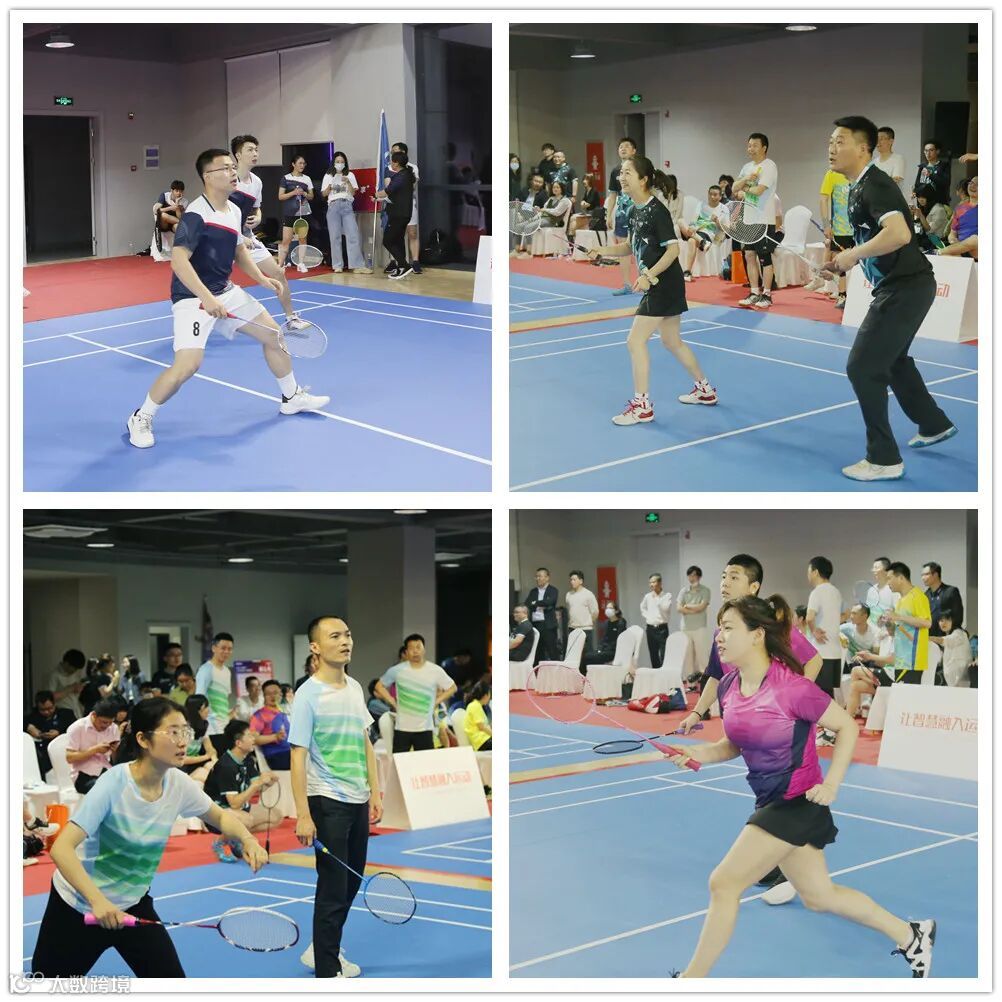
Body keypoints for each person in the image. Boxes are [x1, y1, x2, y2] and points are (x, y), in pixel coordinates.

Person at [667, 596, 935, 978]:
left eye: (728, 628)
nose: (719, 637)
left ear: (757, 635)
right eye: (718, 629)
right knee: (819, 897)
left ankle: (691, 982)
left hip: (798, 802)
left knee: (723, 883)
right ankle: (911, 936)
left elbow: (847, 726)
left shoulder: (792, 688)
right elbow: (733, 744)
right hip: (770, 801)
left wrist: (832, 784)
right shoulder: (728, 686)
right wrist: (697, 754)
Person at [32, 697, 266, 977]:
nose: (183, 742)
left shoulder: (179, 784)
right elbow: (61, 848)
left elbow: (221, 817)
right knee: (47, 985)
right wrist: (97, 901)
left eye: (186, 732)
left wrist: (248, 839)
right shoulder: (113, 784)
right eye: (173, 732)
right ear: (143, 739)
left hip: (133, 906)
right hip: (79, 908)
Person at [126, 148, 328, 449]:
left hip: (225, 291)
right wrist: (207, 298)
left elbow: (238, 251)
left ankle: (291, 396)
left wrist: (262, 279)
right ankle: (141, 416)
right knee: (188, 365)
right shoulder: (196, 214)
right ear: (208, 176)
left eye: (234, 167)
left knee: (274, 335)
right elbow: (179, 262)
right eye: (226, 168)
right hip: (192, 298)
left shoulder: (233, 209)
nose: (233, 172)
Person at [822, 117, 956, 482]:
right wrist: (845, 262)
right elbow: (876, 241)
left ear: (863, 148)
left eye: (840, 141)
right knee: (893, 360)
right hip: (904, 286)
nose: (831, 148)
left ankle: (883, 458)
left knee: (863, 367)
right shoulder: (856, 188)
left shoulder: (875, 184)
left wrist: (853, 254)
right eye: (830, 141)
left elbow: (898, 234)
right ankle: (933, 423)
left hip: (905, 288)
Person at [587, 155, 717, 425]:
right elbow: (629, 246)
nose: (621, 177)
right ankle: (705, 390)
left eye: (627, 173)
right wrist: (601, 250)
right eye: (621, 173)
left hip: (663, 283)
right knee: (672, 341)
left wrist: (648, 275)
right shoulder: (634, 210)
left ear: (644, 179)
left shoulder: (657, 211)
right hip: (662, 282)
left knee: (635, 341)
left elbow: (673, 250)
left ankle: (642, 406)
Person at [290, 615, 381, 979]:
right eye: (335, 636)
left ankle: (321, 947)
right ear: (315, 647)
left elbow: (365, 741)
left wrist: (375, 792)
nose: (345, 641)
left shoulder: (354, 687)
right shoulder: (307, 695)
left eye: (347, 634)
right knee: (333, 886)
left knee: (352, 881)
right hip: (327, 801)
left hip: (358, 798)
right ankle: (327, 972)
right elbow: (298, 755)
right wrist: (302, 814)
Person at [229, 134, 314, 327]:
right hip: (224, 239)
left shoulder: (256, 182)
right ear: (238, 155)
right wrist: (238, 236)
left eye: (256, 150)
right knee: (212, 284)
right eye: (250, 150)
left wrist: (258, 217)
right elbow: (219, 212)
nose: (255, 153)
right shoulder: (229, 181)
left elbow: (256, 208)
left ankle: (291, 319)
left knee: (278, 273)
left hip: (247, 238)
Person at [203, 719, 279, 862]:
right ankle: (219, 843)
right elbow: (235, 803)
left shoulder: (247, 760)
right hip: (216, 814)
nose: (254, 739)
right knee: (247, 820)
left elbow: (257, 787)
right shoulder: (226, 766)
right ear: (238, 743)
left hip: (236, 811)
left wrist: (269, 782)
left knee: (275, 817)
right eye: (249, 736)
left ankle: (234, 838)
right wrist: (256, 785)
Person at [374, 634, 456, 752]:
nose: (415, 651)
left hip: (425, 728)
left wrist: (436, 701)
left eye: (418, 647)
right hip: (402, 728)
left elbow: (452, 688)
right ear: (406, 652)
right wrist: (392, 702)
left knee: (424, 762)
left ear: (424, 649)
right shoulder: (397, 670)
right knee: (399, 761)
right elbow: (379, 686)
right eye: (411, 648)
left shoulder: (435, 670)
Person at [733, 133, 780, 310]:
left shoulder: (769, 166)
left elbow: (759, 191)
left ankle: (766, 294)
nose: (750, 149)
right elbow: (734, 188)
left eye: (754, 145)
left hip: (764, 219)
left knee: (764, 257)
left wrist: (744, 189)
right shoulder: (746, 167)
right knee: (749, 255)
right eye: (749, 145)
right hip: (748, 219)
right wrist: (745, 180)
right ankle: (754, 292)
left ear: (764, 148)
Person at [321, 151, 371, 274]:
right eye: (337, 161)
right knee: (335, 236)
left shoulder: (350, 174)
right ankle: (337, 265)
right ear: (333, 163)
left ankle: (357, 265)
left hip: (347, 205)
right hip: (333, 206)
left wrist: (347, 181)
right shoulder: (328, 175)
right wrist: (331, 185)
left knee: (353, 234)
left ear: (345, 163)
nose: (340, 164)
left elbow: (353, 193)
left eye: (342, 161)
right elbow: (324, 194)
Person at [884, 561, 933, 682]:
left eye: (889, 578)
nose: (888, 582)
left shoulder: (918, 596)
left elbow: (927, 623)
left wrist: (899, 617)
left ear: (900, 578)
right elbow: (895, 631)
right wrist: (888, 622)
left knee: (906, 693)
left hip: (912, 660)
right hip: (901, 659)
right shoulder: (901, 601)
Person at [805, 556, 844, 701]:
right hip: (835, 652)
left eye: (809, 571)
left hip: (821, 652)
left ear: (815, 572)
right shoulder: (836, 592)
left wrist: (814, 631)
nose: (808, 574)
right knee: (829, 695)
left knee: (818, 695)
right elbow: (845, 614)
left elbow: (809, 617)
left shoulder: (817, 592)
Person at [605, 137, 640, 295]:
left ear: (634, 151)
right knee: (623, 250)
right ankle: (627, 284)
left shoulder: (640, 168)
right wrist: (609, 215)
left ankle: (644, 283)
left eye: (627, 146)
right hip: (621, 214)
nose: (623, 149)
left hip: (638, 212)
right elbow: (613, 195)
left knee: (640, 249)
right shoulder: (615, 171)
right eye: (620, 147)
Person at [64, 699, 121, 795]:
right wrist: (95, 750)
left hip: (106, 770)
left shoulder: (113, 728)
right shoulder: (78, 727)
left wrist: (115, 751)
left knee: (128, 786)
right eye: (104, 722)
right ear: (94, 715)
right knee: (105, 789)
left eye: (110, 722)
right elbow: (69, 757)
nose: (107, 726)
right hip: (83, 775)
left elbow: (115, 760)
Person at [816, 167, 854, 308]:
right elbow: (823, 199)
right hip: (841, 228)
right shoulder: (832, 174)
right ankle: (842, 295)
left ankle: (861, 296)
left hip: (861, 228)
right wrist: (826, 224)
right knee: (841, 263)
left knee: (863, 263)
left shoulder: (860, 170)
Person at [375, 152, 417, 279]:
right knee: (398, 240)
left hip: (398, 214)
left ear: (396, 163)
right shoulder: (407, 175)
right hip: (403, 213)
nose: (391, 164)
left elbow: (387, 191)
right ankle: (402, 267)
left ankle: (404, 265)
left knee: (388, 240)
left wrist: (376, 194)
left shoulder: (401, 176)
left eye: (392, 161)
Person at [195, 631, 235, 753]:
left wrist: (230, 713)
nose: (226, 652)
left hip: (224, 725)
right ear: (214, 648)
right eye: (223, 648)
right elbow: (199, 699)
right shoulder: (205, 670)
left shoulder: (227, 671)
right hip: (210, 727)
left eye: (229, 649)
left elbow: (224, 698)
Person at [681, 185, 729, 281]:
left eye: (715, 195)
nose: (712, 197)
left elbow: (727, 229)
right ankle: (702, 242)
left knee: (691, 241)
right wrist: (692, 227)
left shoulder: (724, 209)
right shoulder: (701, 205)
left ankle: (687, 272)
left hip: (709, 233)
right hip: (696, 231)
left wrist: (717, 222)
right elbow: (693, 220)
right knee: (680, 221)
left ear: (720, 196)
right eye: (710, 194)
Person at [277, 154, 315, 271]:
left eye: (304, 163)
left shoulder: (307, 179)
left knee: (302, 239)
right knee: (286, 240)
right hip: (289, 213)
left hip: (303, 213)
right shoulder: (285, 178)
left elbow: (311, 196)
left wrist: (304, 194)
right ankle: (280, 265)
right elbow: (280, 196)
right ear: (293, 164)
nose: (302, 165)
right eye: (300, 163)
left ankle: (301, 263)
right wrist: (293, 192)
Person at [25, 691, 75, 777]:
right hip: (42, 755)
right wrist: (29, 728)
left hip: (63, 753)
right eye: (42, 710)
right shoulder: (32, 717)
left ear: (54, 704)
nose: (47, 712)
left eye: (50, 708)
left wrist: (59, 732)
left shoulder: (66, 714)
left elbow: (75, 730)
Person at [390, 141, 422, 274]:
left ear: (403, 153)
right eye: (392, 152)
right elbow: (388, 186)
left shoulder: (412, 168)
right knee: (396, 235)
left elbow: (411, 186)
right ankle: (399, 263)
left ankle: (415, 262)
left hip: (408, 204)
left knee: (412, 232)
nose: (393, 154)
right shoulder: (389, 167)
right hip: (394, 205)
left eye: (396, 151)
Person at [678, 566, 713, 674]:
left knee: (702, 656)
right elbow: (679, 608)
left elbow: (701, 607)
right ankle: (690, 681)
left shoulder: (705, 590)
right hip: (685, 628)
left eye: (694, 575)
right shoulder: (684, 591)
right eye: (690, 575)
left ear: (699, 576)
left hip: (699, 628)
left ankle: (705, 679)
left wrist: (687, 606)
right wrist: (695, 609)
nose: (692, 578)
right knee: (688, 656)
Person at [251, 680, 292, 770]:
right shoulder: (259, 715)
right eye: (268, 694)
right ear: (264, 696)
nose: (272, 696)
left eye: (275, 693)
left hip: (292, 751)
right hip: (277, 755)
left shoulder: (285, 711)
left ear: (280, 694)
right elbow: (253, 739)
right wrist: (275, 737)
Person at [525, 568, 560, 663]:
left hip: (548, 625)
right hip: (535, 624)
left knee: (552, 650)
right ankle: (538, 671)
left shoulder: (553, 590)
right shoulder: (533, 591)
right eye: (536, 576)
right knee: (537, 651)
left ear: (547, 577)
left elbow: (549, 602)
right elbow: (528, 603)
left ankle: (558, 670)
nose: (538, 578)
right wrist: (540, 603)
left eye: (540, 576)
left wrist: (535, 603)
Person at [920, 561, 964, 637]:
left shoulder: (950, 591)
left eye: (926, 574)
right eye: (922, 575)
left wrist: (949, 637)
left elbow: (958, 617)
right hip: (930, 638)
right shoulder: (925, 595)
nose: (923, 578)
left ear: (936, 575)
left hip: (947, 639)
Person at [181, 694, 217, 783]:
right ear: (199, 710)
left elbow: (211, 750)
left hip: (196, 763)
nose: (208, 710)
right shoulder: (184, 729)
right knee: (204, 776)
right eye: (206, 707)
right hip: (182, 768)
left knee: (213, 767)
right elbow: (183, 759)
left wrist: (215, 762)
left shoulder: (203, 725)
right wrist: (206, 756)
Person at [640, 573, 673, 670]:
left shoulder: (667, 595)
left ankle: (664, 673)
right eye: (650, 583)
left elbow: (665, 608)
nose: (651, 585)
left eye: (653, 582)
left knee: (663, 654)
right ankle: (655, 674)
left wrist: (658, 599)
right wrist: (648, 617)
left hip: (662, 628)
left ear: (660, 583)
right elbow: (642, 608)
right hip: (650, 628)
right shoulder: (647, 596)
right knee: (653, 654)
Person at [931, 610, 972, 687]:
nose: (944, 623)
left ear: (954, 621)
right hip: (953, 681)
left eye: (948, 620)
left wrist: (926, 638)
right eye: (941, 620)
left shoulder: (959, 633)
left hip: (962, 681)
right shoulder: (950, 636)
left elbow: (947, 640)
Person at [581, 603, 627, 669]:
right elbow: (603, 638)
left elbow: (619, 640)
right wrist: (600, 649)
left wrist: (606, 649)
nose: (608, 610)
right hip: (604, 650)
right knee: (586, 656)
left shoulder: (621, 622)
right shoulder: (606, 623)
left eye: (610, 608)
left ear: (616, 611)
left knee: (590, 658)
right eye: (607, 608)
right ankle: (585, 674)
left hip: (613, 651)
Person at [565, 570, 600, 654]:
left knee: (587, 654)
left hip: (585, 628)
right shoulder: (568, 594)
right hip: (572, 628)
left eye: (574, 579)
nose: (572, 582)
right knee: (573, 653)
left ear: (581, 581)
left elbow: (595, 611)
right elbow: (569, 609)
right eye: (571, 580)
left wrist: (588, 621)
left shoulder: (588, 594)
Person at [911, 184, 951, 251]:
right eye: (919, 197)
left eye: (923, 197)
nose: (920, 200)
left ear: (929, 197)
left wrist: (921, 215)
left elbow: (929, 230)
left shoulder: (939, 209)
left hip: (938, 241)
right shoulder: (924, 207)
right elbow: (917, 227)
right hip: (927, 239)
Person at [49, 649, 87, 719]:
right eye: (74, 668)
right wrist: (70, 688)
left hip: (75, 709)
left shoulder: (75, 674)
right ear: (67, 663)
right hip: (62, 711)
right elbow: (49, 697)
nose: (75, 671)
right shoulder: (54, 675)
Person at [912, 138, 950, 204]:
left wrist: (930, 175)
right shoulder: (922, 166)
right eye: (926, 151)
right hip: (923, 204)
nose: (928, 153)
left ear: (937, 151)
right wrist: (916, 193)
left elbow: (945, 183)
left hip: (938, 203)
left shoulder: (943, 166)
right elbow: (917, 185)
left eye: (931, 150)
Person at [866, 556, 897, 629]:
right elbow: (868, 612)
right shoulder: (871, 590)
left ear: (886, 570)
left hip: (886, 631)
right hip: (871, 630)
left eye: (876, 568)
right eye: (873, 568)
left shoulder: (894, 590)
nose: (873, 571)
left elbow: (898, 613)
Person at [568, 173, 601, 239]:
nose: (584, 181)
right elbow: (583, 201)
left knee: (575, 219)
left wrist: (584, 204)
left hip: (593, 214)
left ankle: (572, 236)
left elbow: (588, 204)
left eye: (586, 180)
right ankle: (571, 235)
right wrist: (583, 203)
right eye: (584, 179)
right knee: (573, 217)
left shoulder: (594, 191)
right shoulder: (587, 191)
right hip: (588, 212)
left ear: (590, 181)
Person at [463, 681, 492, 751]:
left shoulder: (477, 705)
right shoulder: (475, 706)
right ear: (486, 695)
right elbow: (481, 727)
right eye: (490, 694)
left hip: (484, 740)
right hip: (481, 742)